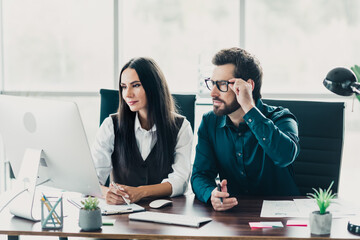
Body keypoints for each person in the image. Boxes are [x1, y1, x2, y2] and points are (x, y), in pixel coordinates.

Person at [191, 47, 300, 211]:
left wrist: (249, 107)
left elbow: (284, 156)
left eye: (221, 85)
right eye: (212, 83)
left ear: (247, 86)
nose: (212, 93)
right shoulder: (209, 122)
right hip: (235, 215)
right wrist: (211, 193)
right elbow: (200, 175)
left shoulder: (281, 118)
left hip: (281, 217)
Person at [92, 57, 193, 204]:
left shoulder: (181, 127)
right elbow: (93, 179)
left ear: (154, 86)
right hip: (122, 216)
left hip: (167, 214)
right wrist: (107, 193)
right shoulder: (111, 125)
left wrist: (140, 192)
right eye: (124, 87)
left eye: (136, 85)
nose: (127, 94)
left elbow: (180, 181)